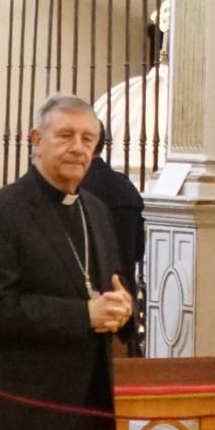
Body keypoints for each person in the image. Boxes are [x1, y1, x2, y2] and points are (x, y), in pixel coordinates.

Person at [0, 93, 135, 430]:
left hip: (85, 412)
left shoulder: (97, 210)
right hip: (21, 414)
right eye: (65, 136)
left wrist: (123, 309)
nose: (78, 148)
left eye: (88, 139)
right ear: (36, 140)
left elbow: (115, 285)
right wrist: (84, 316)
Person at [80, 122, 146, 354]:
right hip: (122, 304)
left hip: (83, 311)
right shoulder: (124, 188)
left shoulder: (72, 189)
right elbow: (139, 251)